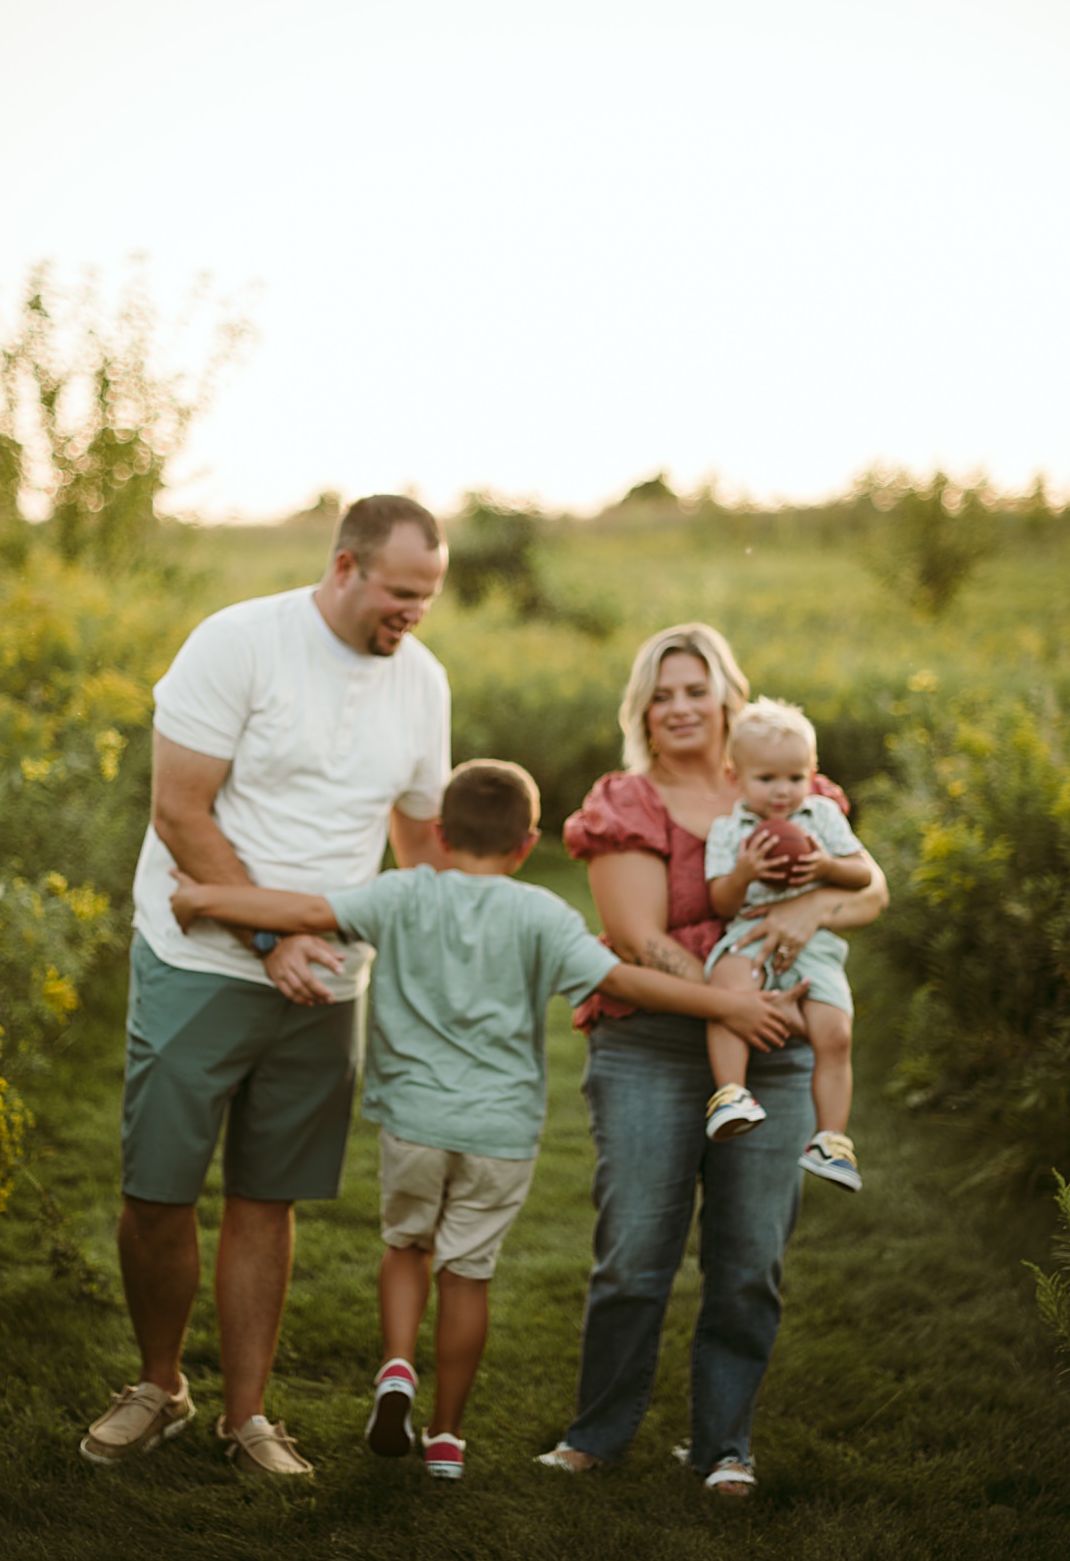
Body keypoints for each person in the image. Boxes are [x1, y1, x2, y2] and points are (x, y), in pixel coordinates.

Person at [168, 758, 804, 1479]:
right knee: (468, 1274)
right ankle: (446, 1438)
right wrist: (729, 1005)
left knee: (407, 1247)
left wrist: (205, 896)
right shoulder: (542, 914)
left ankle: (397, 1366)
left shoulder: (401, 893)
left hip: (414, 1121)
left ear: (440, 833)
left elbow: (302, 911)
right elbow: (624, 980)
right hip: (500, 1134)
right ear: (527, 844)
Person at [80, 495, 451, 1477]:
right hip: (199, 959)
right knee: (157, 1189)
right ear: (345, 566)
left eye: (428, 596)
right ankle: (159, 1386)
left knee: (267, 1193)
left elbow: (418, 833)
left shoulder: (423, 681)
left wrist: (447, 939)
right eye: (401, 592)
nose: (414, 612)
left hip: (327, 978)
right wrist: (266, 935)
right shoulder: (238, 643)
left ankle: (246, 1420)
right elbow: (179, 810)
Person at [537, 624, 888, 1496]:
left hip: (775, 1051)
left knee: (749, 1261)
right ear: (642, 711)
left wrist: (810, 914)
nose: (681, 707)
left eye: (697, 689)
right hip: (652, 1045)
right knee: (633, 1255)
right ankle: (597, 1434)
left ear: (729, 697)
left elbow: (870, 886)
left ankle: (723, 1446)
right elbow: (638, 938)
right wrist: (734, 1002)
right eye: (662, 694)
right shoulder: (627, 800)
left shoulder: (789, 783)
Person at [703, 697, 873, 1191]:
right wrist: (743, 873)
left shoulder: (822, 816)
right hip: (750, 933)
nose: (783, 790)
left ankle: (831, 1141)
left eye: (795, 778)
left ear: (812, 774)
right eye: (766, 779)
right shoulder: (729, 830)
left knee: (835, 1033)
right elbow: (720, 902)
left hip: (812, 944)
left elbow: (862, 875)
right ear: (735, 776)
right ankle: (732, 1092)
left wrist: (827, 866)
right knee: (728, 990)